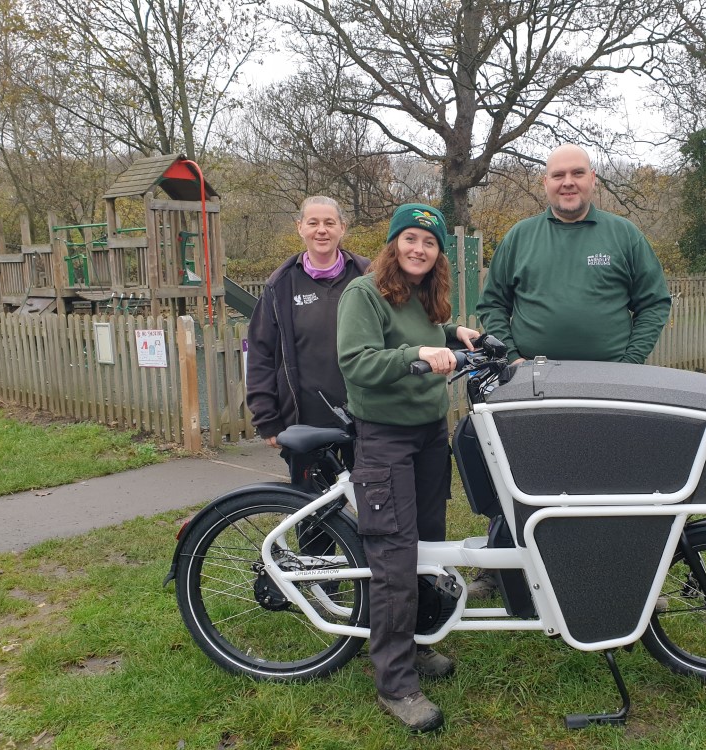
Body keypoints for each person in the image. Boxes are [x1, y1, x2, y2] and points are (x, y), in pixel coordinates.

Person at [472, 144, 672, 597]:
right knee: (519, 474)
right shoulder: (521, 237)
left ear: (592, 179)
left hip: (610, 385)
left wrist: (629, 363)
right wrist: (513, 357)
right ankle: (502, 568)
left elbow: (654, 303)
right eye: (557, 174)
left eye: (577, 173)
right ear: (544, 182)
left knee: (614, 477)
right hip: (531, 384)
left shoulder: (624, 236)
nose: (567, 182)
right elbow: (492, 304)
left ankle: (628, 571)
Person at [337, 203, 478, 732]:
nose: (419, 249)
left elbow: (425, 336)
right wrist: (417, 352)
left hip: (428, 436)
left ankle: (416, 645)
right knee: (395, 557)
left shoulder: (424, 294)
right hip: (385, 439)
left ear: (439, 253)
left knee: (427, 545)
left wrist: (456, 334)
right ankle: (395, 683)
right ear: (394, 243)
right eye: (411, 239)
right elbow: (358, 361)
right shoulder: (364, 293)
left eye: (430, 242)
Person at [246, 195, 370, 485]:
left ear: (343, 227)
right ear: (299, 227)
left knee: (372, 507)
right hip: (305, 421)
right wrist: (267, 418)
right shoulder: (280, 284)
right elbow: (261, 353)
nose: (321, 230)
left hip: (365, 415)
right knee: (315, 515)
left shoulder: (368, 275)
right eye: (313, 223)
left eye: (329, 222)